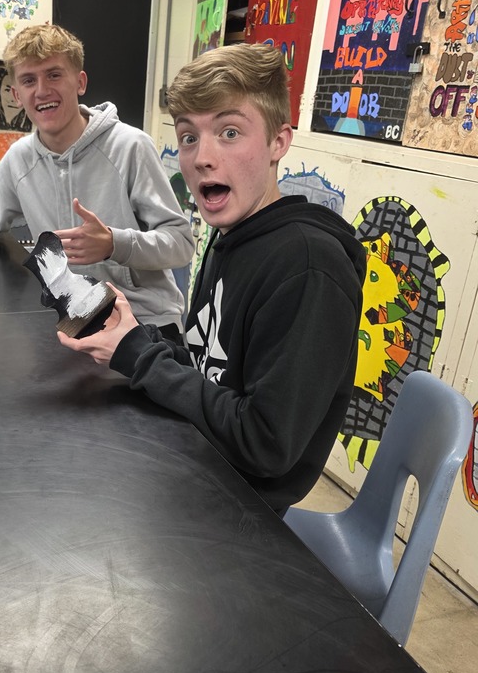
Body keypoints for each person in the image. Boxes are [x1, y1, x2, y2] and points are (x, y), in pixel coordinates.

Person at [58, 43, 366, 515]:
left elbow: (265, 445)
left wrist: (140, 358)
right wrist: (133, 338)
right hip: (200, 458)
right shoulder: (229, 237)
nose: (202, 157)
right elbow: (212, 366)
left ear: (278, 143)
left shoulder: (309, 269)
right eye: (188, 137)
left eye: (229, 132)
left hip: (243, 510)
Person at [0, 25, 194, 336]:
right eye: (29, 80)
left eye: (54, 75)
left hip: (144, 321)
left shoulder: (130, 147)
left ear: (80, 82)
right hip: (72, 321)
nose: (42, 90)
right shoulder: (20, 159)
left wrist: (113, 244)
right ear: (17, 95)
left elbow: (181, 244)